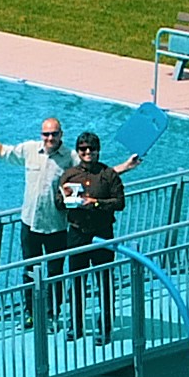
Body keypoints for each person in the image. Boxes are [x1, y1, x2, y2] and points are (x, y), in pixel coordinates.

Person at [0, 112, 74, 311]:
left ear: (61, 134)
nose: (50, 138)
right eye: (46, 134)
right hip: (30, 224)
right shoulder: (30, 150)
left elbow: (95, 173)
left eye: (54, 134)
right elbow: (2, 152)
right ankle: (30, 311)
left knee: (55, 273)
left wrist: (126, 166)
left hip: (57, 226)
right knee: (29, 272)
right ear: (41, 135)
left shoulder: (70, 157)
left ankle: (52, 312)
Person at [56, 131, 130, 331]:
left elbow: (120, 203)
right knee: (76, 281)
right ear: (78, 151)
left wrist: (96, 203)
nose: (88, 152)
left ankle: (105, 324)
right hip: (77, 234)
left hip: (102, 234)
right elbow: (58, 203)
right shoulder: (69, 175)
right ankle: (76, 324)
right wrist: (66, 198)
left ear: (98, 151)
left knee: (104, 280)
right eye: (83, 149)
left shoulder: (108, 174)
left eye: (92, 148)